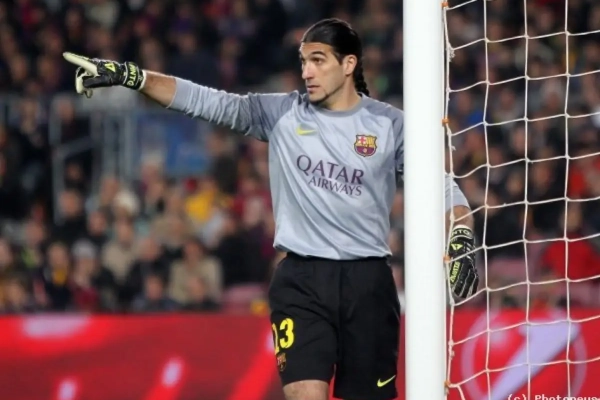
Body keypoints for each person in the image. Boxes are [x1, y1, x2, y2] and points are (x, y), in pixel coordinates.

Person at [63, 18, 478, 400]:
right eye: (304, 61)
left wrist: (461, 232)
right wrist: (133, 77)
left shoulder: (390, 125)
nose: (307, 72)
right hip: (301, 280)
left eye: (318, 60)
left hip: (367, 283)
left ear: (349, 64)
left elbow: (443, 187)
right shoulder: (281, 113)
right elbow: (203, 101)